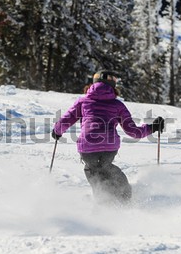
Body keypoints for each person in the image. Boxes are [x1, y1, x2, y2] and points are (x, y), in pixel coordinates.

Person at [51, 70, 164, 204]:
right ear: (113, 85)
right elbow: (133, 131)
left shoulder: (83, 102)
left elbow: (66, 120)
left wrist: (57, 131)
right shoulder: (118, 105)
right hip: (109, 146)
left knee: (92, 169)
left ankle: (103, 202)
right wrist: (152, 127)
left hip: (88, 146)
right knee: (106, 167)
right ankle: (125, 197)